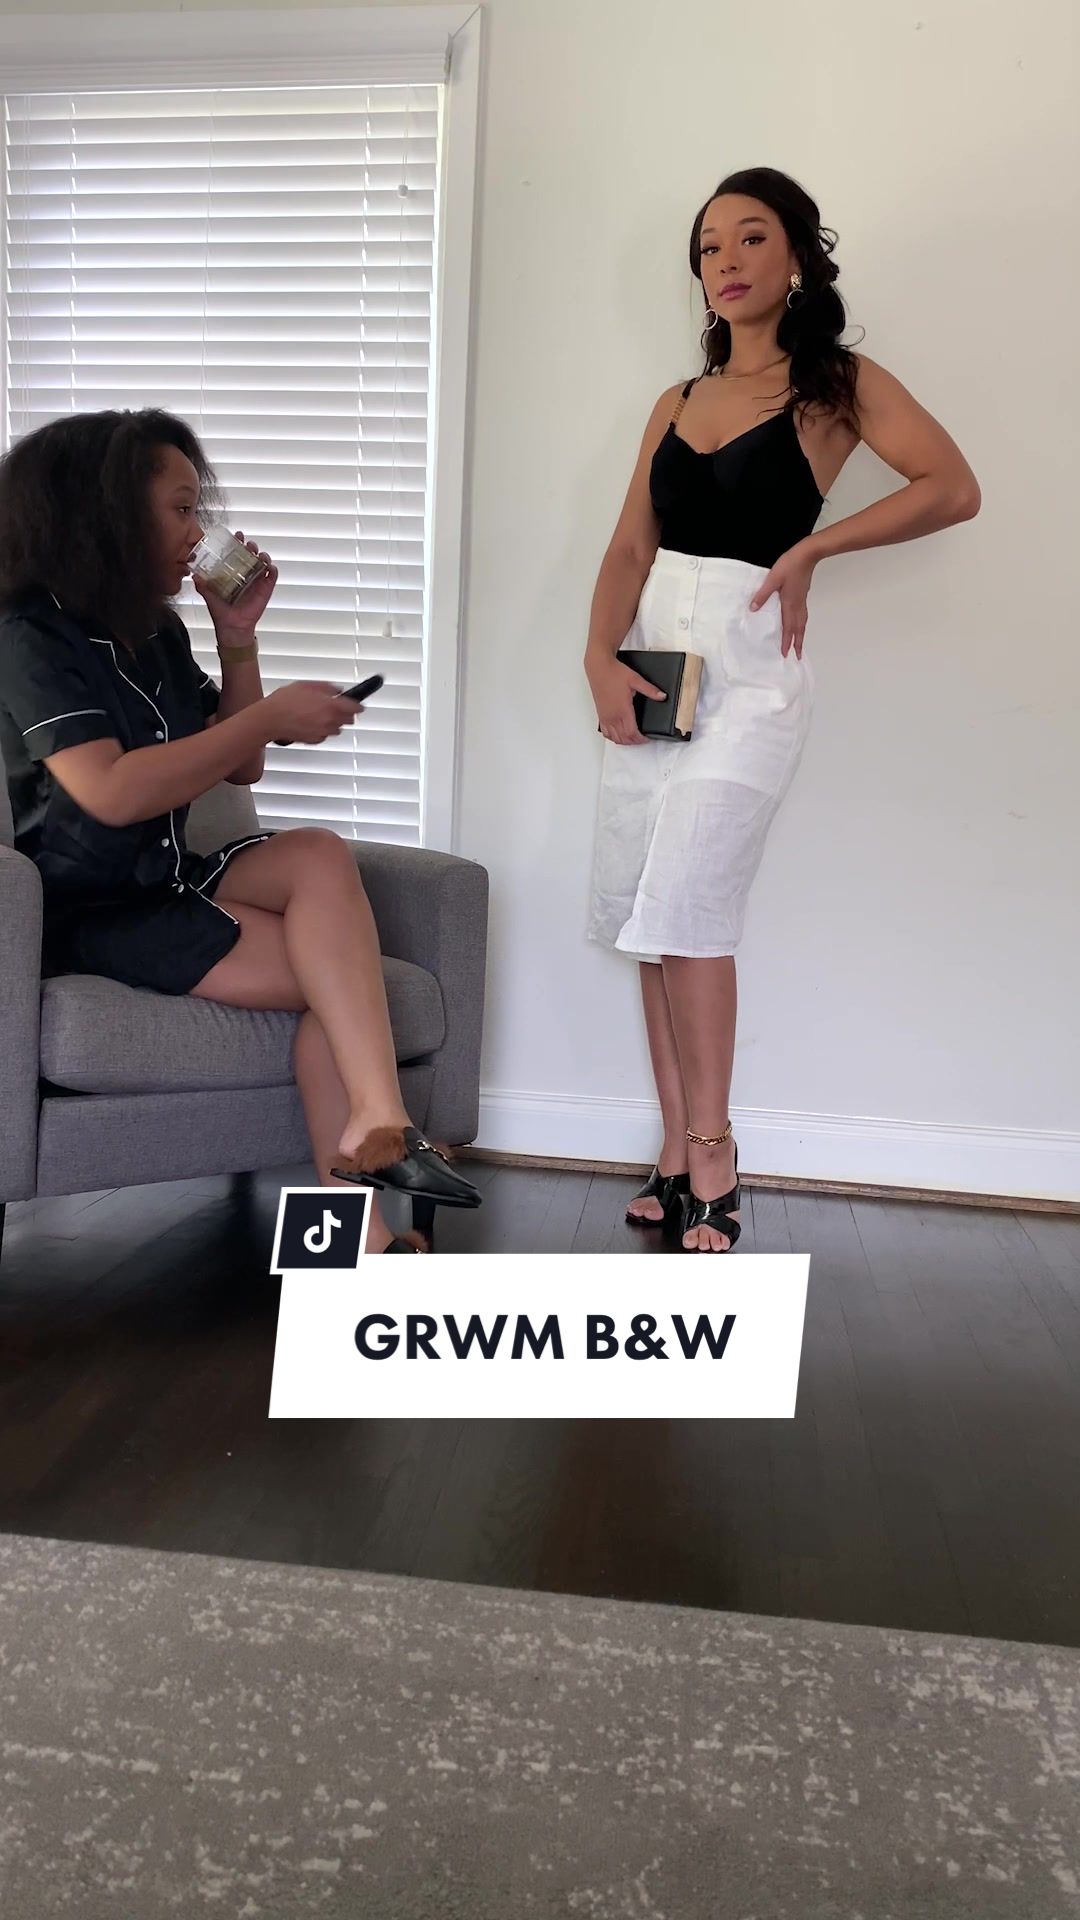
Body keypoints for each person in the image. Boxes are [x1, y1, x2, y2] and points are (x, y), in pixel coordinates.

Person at [584, 167, 980, 1253]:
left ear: (796, 255)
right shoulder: (676, 401)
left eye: (751, 237)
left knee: (692, 911)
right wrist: (597, 660)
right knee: (651, 919)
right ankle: (675, 1150)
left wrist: (813, 548)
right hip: (655, 669)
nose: (727, 261)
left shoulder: (835, 384)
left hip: (752, 676)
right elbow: (629, 546)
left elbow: (951, 486)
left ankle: (714, 1150)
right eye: (709, 246)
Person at [0, 408, 480, 1251]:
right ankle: (361, 1229)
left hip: (166, 872)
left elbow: (240, 766)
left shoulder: (153, 628)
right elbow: (109, 790)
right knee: (339, 992)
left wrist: (237, 638)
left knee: (317, 856)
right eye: (181, 509)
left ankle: (376, 1130)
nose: (199, 532)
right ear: (107, 512)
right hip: (94, 908)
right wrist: (263, 719)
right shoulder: (29, 633)